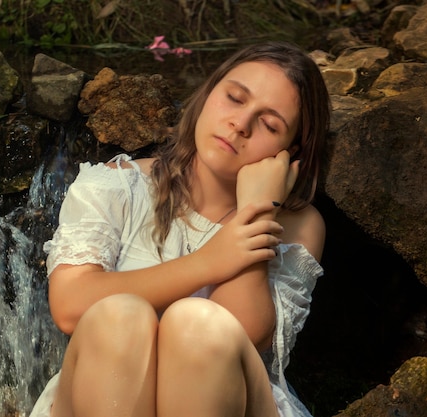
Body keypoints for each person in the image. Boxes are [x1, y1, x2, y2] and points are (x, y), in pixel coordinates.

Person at [30, 40, 330, 417]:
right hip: (104, 398)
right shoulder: (116, 187)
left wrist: (256, 214)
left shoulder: (298, 226)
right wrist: (209, 263)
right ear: (207, 93)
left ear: (292, 152)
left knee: (198, 324)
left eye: (269, 124)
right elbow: (71, 307)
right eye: (235, 98)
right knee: (118, 315)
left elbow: (248, 335)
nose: (240, 124)